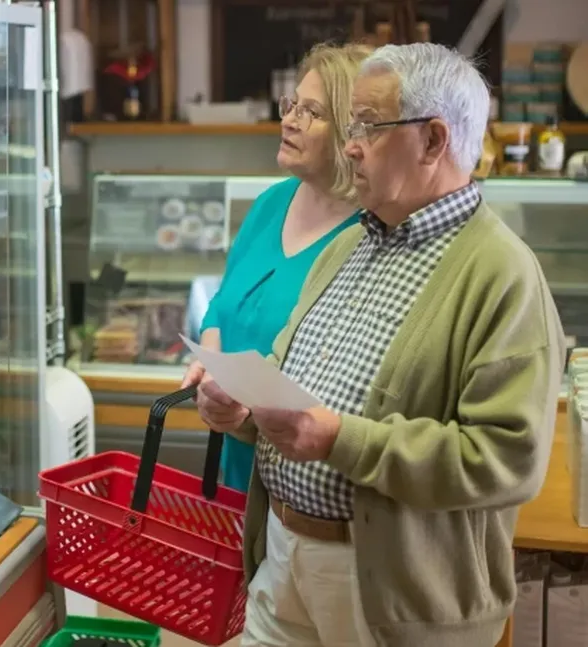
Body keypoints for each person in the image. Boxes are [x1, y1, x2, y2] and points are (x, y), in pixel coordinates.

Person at [198, 42, 564, 646]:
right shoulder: (351, 245)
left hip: (392, 595)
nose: (349, 144)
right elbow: (287, 377)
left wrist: (340, 440)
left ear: (433, 140)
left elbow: (507, 458)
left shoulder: (502, 273)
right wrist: (241, 409)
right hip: (283, 561)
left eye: (369, 125)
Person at [181, 42, 371, 492]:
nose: (288, 120)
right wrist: (212, 377)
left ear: (352, 132)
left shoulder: (371, 231)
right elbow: (222, 306)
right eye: (291, 105)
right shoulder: (271, 203)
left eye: (312, 112)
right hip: (238, 464)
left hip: (308, 479)